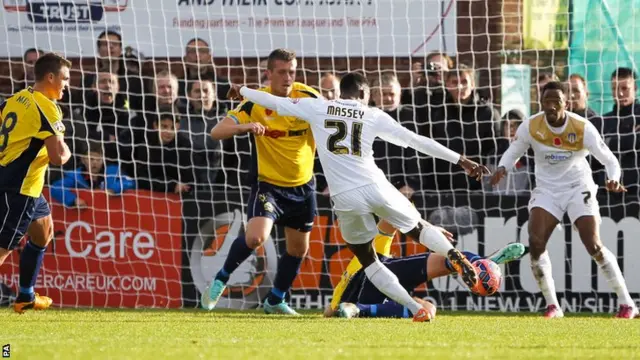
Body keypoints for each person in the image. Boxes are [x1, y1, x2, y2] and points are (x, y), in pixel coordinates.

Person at [237, 72, 489, 322]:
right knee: (418, 227)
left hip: (345, 197)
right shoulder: (373, 114)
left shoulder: (317, 107)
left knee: (368, 260)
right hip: (375, 184)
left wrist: (242, 91)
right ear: (363, 94)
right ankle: (453, 254)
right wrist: (461, 160)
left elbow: (270, 100)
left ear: (342, 91)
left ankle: (414, 308)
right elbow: (416, 141)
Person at [490, 81, 638, 319]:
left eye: (556, 102)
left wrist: (612, 178)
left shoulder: (582, 127)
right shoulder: (531, 126)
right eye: (546, 102)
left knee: (593, 244)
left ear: (565, 103)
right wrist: (502, 167)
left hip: (578, 187)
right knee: (536, 243)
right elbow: (513, 151)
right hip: (547, 190)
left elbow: (610, 160)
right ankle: (552, 306)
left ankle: (626, 303)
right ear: (541, 103)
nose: (550, 107)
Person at [203, 49, 321, 315]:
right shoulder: (255, 103)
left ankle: (275, 299)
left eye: (292, 71)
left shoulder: (309, 97)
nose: (288, 78)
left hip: (303, 186)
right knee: (256, 237)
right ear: (268, 73)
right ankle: (221, 278)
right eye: (281, 72)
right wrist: (244, 127)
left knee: (298, 249)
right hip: (269, 185)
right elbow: (216, 131)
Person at [325, 220, 526, 319]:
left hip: (366, 286)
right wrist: (428, 230)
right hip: (370, 284)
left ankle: (478, 264)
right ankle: (479, 264)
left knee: (429, 307)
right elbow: (394, 217)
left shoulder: (374, 244)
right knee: (446, 265)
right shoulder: (378, 244)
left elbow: (390, 218)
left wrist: (427, 230)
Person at [0, 53, 72, 313]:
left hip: (26, 185)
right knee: (4, 249)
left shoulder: (15, 99)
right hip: (18, 188)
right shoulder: (47, 107)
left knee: (44, 232)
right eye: (65, 78)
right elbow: (57, 157)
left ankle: (26, 296)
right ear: (50, 77)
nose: (67, 84)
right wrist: (68, 152)